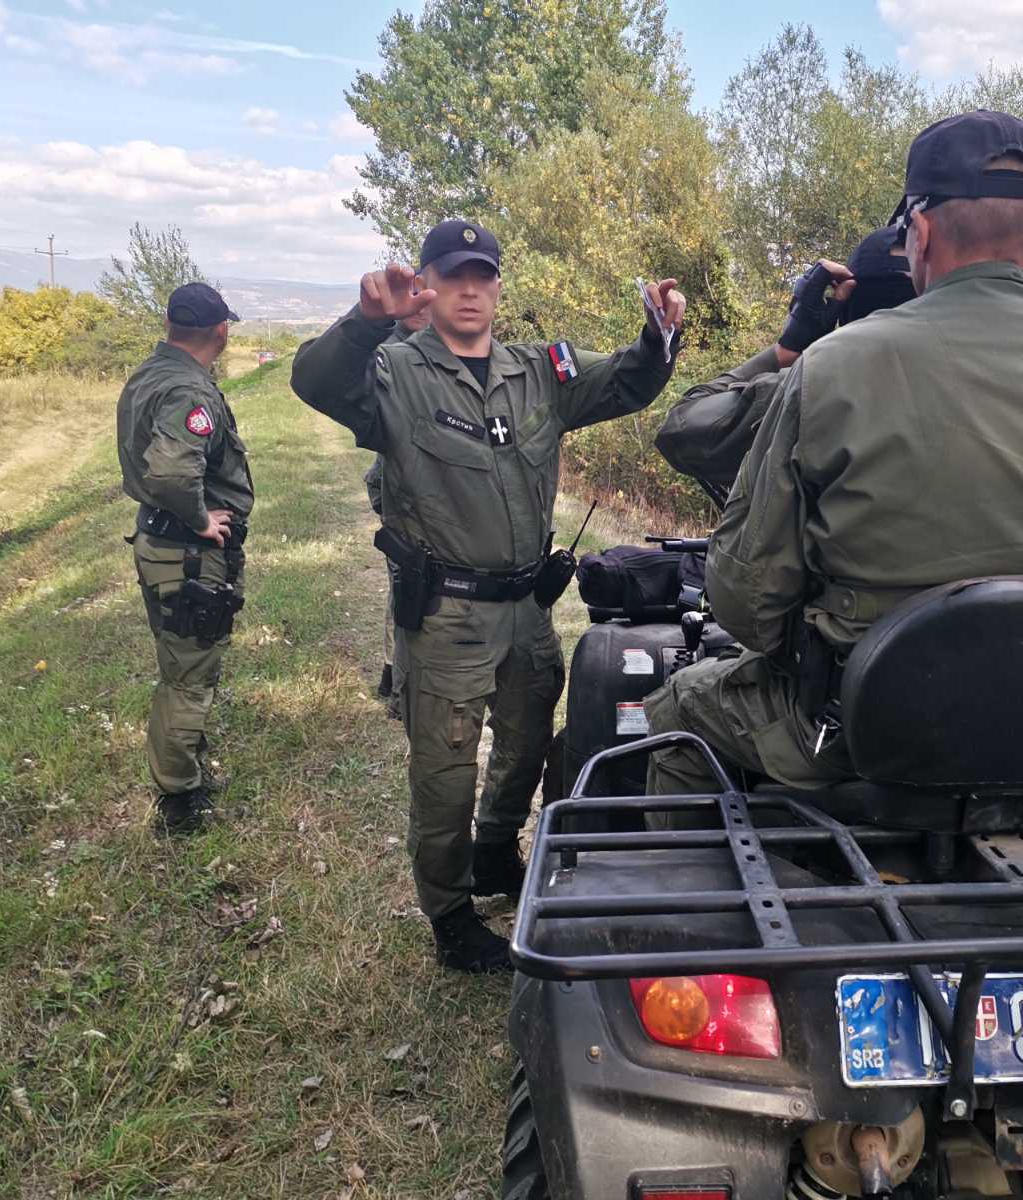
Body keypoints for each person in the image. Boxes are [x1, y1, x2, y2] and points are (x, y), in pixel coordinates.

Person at [645, 110, 1023, 797]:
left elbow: (743, 604)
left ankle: (680, 905)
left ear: (920, 233)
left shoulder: (830, 371)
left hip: (868, 738)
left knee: (680, 706)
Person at [291, 219, 686, 972]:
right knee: (443, 769)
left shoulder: (539, 370)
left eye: (483, 275)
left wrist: (657, 334)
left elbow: (628, 381)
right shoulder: (397, 374)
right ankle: (449, 915)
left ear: (499, 286)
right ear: (430, 285)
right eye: (454, 274)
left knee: (528, 738)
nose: (470, 289)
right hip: (447, 614)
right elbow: (316, 382)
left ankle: (494, 850)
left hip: (526, 608)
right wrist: (365, 321)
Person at [116, 282, 253, 835]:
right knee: (189, 676)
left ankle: (184, 766)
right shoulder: (188, 391)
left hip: (160, 544)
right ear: (221, 332)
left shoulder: (151, 373)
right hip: (188, 553)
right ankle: (178, 799)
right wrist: (200, 519)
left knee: (179, 663)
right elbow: (172, 472)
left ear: (171, 326)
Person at [655, 227, 915, 504]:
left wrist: (785, 351)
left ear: (846, 306)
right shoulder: (962, 392)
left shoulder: (805, 396)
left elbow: (677, 431)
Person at [364, 305, 431, 714]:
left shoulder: (442, 345)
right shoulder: (385, 353)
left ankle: (399, 677)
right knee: (408, 587)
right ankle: (397, 682)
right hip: (401, 491)